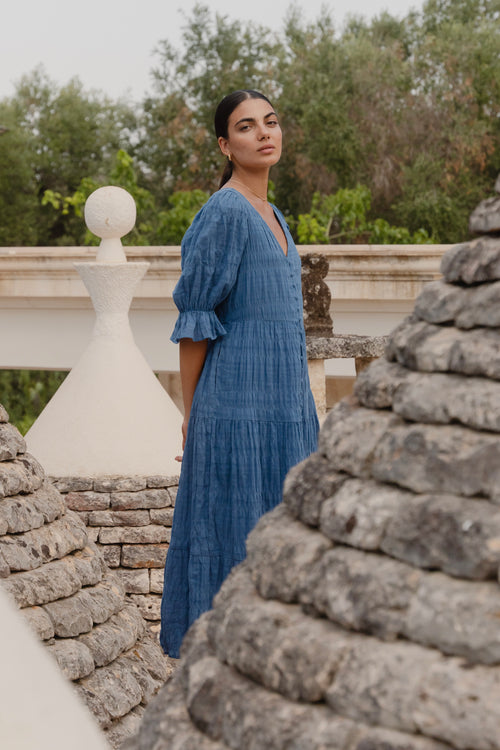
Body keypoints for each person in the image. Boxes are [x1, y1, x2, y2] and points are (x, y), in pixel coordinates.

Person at [160, 90, 319, 658]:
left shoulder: (273, 213)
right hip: (234, 409)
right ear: (226, 145)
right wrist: (192, 414)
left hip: (285, 410)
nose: (264, 133)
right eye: (247, 127)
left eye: (271, 122)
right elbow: (196, 321)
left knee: (284, 539)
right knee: (229, 534)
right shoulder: (224, 212)